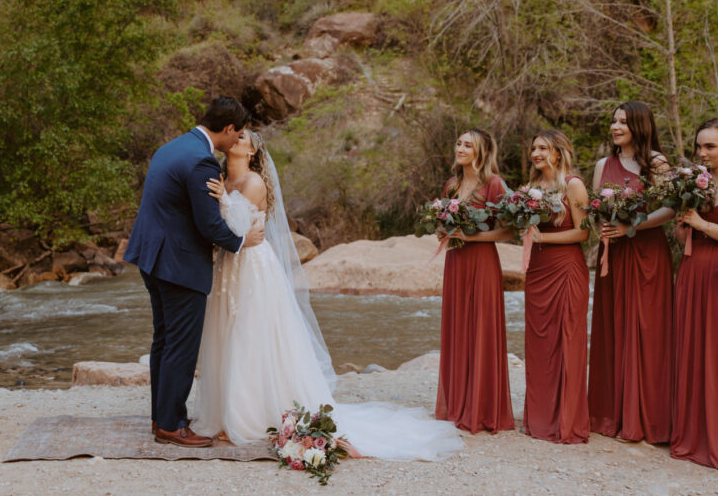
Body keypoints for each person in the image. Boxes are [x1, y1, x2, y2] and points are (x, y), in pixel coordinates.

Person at [193, 130, 463, 461]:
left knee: (250, 334)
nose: (237, 137)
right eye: (235, 134)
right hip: (229, 266)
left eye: (245, 136)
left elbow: (237, 226)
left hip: (253, 267)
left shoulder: (253, 183)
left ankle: (248, 416)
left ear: (252, 152)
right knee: (226, 332)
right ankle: (224, 413)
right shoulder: (221, 179)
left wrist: (222, 200)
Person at [123, 97, 265, 448]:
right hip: (179, 264)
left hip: (151, 257)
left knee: (164, 340)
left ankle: (162, 416)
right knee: (182, 346)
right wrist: (242, 240)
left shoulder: (172, 147)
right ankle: (171, 426)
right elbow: (209, 227)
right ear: (228, 128)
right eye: (238, 133)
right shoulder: (201, 161)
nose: (238, 140)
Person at [588, 101, 673, 443]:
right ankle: (612, 412)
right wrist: (603, 226)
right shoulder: (601, 165)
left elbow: (669, 208)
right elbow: (594, 208)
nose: (615, 126)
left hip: (646, 254)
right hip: (615, 255)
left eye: (623, 121)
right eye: (613, 121)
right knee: (614, 327)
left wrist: (632, 227)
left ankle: (648, 418)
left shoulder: (656, 162)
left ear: (640, 125)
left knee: (646, 330)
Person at [435, 129, 515, 434]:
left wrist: (473, 235)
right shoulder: (452, 185)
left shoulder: (494, 184)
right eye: (458, 143)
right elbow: (445, 226)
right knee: (458, 326)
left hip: (482, 263)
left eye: (468, 145)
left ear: (481, 152)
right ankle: (456, 405)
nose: (460, 148)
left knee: (481, 327)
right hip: (455, 262)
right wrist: (442, 231)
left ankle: (481, 409)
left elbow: (509, 231)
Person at [521, 130, 590, 444]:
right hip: (538, 270)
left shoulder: (573, 185)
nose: (536, 153)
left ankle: (567, 421)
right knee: (540, 344)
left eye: (543, 148)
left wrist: (543, 238)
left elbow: (583, 234)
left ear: (559, 153)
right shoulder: (531, 188)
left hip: (565, 268)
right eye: (534, 148)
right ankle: (539, 419)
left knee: (566, 339)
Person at [671, 118, 718, 469]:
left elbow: (704, 227)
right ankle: (693, 432)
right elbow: (680, 235)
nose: (702, 153)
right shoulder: (694, 182)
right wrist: (683, 223)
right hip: (692, 269)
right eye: (699, 147)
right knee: (692, 347)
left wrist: (702, 224)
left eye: (711, 147)